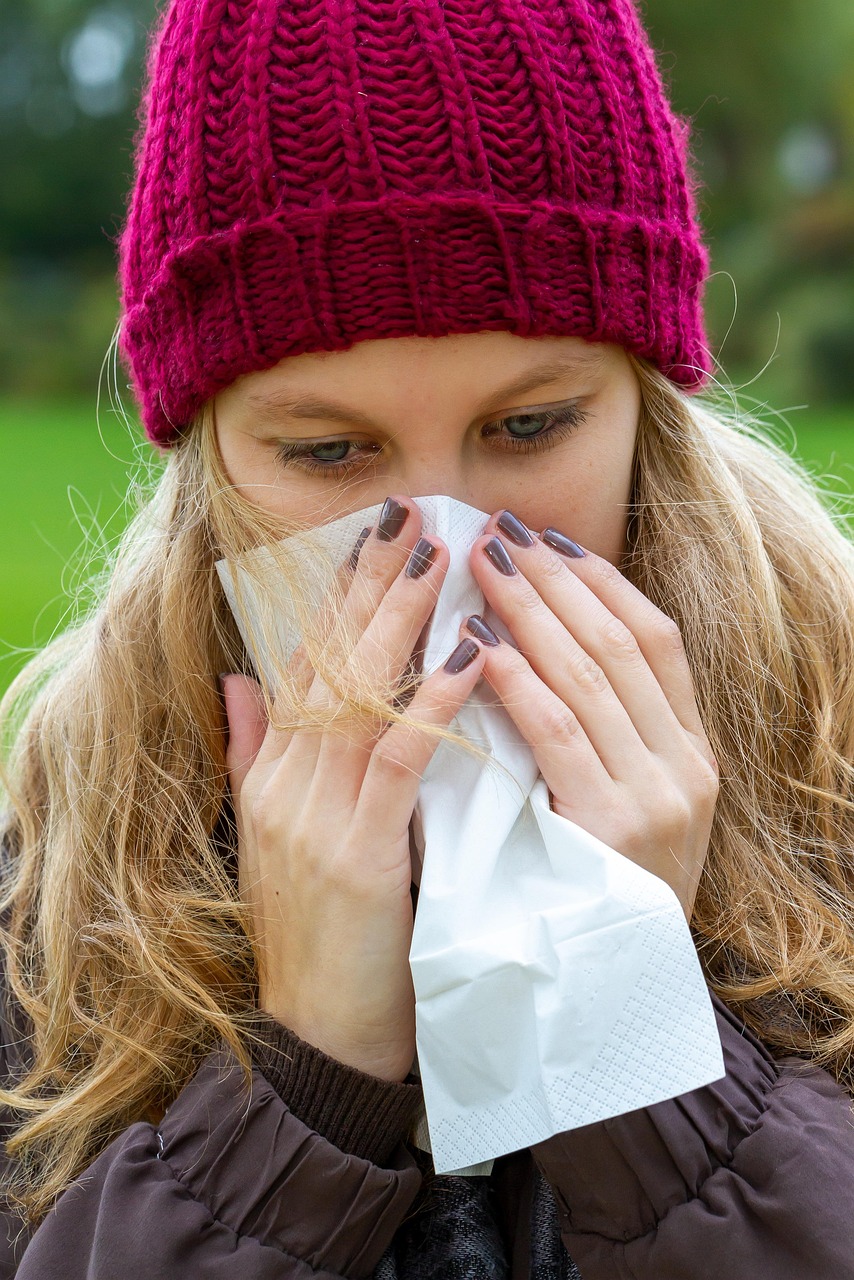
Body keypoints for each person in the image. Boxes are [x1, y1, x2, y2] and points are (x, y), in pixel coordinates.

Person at [1, 0, 853, 1275]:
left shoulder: (830, 766)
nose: (448, 545)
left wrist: (636, 1044)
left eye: (530, 427)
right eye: (329, 451)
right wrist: (302, 1085)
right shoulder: (59, 875)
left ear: (645, 406)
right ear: (207, 460)